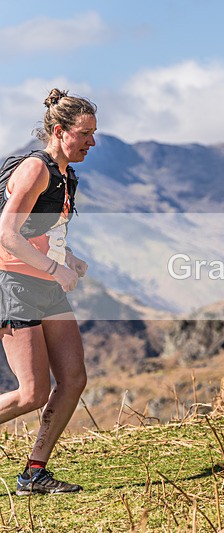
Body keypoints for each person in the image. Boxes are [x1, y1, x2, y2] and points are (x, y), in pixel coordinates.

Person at [0, 88, 95, 494]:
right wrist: (55, 267)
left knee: (73, 378)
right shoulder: (35, 170)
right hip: (15, 285)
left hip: (45, 284)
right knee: (33, 392)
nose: (92, 141)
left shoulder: (65, 175)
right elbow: (6, 232)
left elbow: (41, 232)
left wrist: (68, 257)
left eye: (94, 132)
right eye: (85, 133)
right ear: (59, 131)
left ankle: (34, 473)